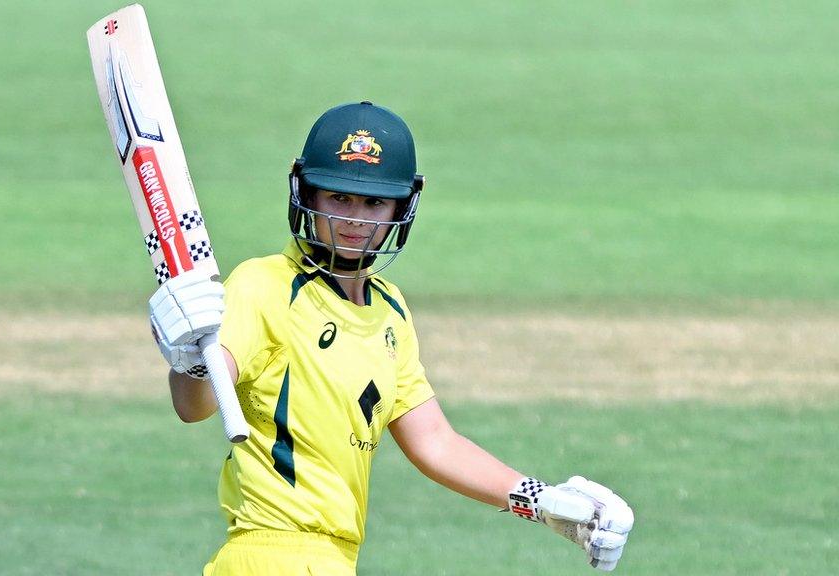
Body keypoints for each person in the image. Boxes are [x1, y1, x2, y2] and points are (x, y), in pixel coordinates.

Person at [149, 102, 633, 575]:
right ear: (308, 195)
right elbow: (196, 405)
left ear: (402, 206)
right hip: (270, 553)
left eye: (375, 202)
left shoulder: (390, 311)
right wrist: (190, 361)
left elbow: (435, 442)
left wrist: (541, 501)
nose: (356, 218)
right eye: (338, 197)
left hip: (334, 561)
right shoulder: (265, 286)